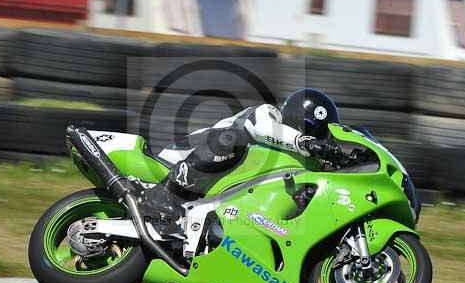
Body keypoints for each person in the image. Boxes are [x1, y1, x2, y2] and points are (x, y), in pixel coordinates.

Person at [139, 88, 348, 227]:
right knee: (233, 139)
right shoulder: (268, 113)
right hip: (177, 159)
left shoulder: (298, 164)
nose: (314, 140)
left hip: (214, 192)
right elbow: (261, 129)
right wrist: (304, 142)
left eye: (319, 136)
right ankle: (165, 192)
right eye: (309, 130)